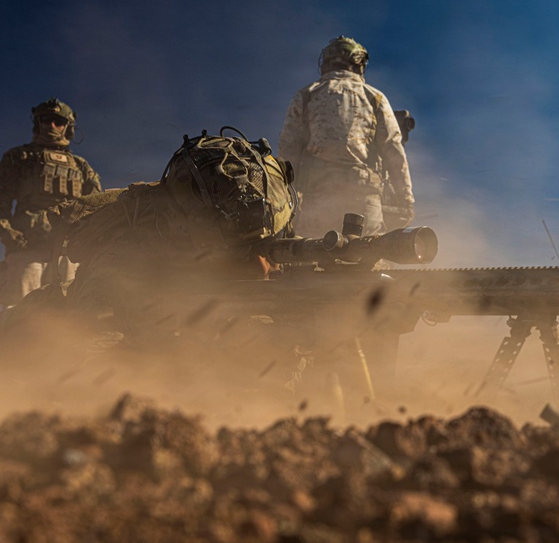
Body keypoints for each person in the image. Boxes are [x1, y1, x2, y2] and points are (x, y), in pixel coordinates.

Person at [62, 129, 297, 334]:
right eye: (242, 252)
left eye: (263, 248)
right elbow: (94, 340)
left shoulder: (264, 215)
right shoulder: (137, 246)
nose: (262, 266)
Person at [278, 36, 414, 238]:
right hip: (363, 201)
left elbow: (288, 153)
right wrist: (405, 201)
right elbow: (393, 151)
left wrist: (284, 204)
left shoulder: (306, 95)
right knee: (368, 264)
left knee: (308, 264)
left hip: (317, 201)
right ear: (359, 64)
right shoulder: (374, 98)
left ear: (326, 64)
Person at [0, 98, 102, 306]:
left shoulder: (82, 166)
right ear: (38, 123)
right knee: (18, 311)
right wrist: (10, 236)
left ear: (68, 127)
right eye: (46, 120)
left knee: (68, 313)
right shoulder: (19, 157)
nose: (51, 126)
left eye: (58, 121)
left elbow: (97, 208)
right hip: (27, 250)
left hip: (68, 252)